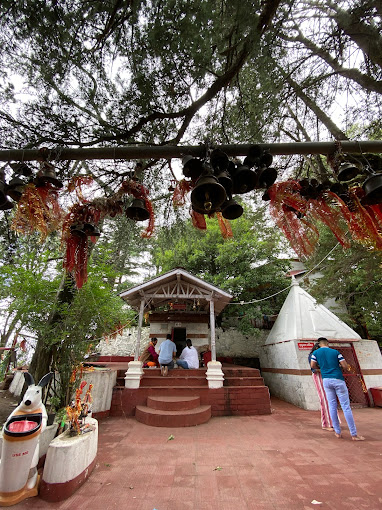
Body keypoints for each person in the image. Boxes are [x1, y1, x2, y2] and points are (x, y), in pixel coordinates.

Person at [310, 337, 365, 441]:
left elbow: (312, 365)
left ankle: (337, 432)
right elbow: (344, 365)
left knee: (332, 406)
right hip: (338, 379)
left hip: (326, 380)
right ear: (327, 343)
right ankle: (354, 434)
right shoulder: (335, 352)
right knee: (346, 407)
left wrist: (322, 368)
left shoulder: (316, 353)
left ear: (319, 344)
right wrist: (338, 365)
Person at [308, 342, 334, 431]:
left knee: (331, 398)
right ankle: (326, 424)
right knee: (324, 398)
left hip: (328, 376)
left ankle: (334, 421)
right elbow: (314, 369)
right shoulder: (313, 355)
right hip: (320, 376)